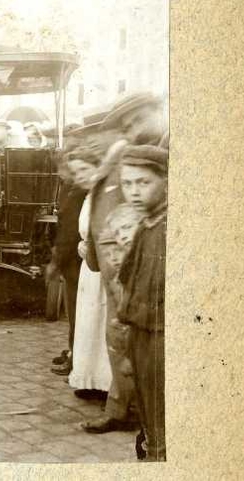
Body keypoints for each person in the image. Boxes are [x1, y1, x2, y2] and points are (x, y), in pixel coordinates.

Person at [80, 92, 166, 434]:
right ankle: (124, 409)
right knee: (120, 340)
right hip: (118, 268)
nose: (132, 130)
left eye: (137, 120)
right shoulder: (120, 156)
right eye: (126, 126)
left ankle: (140, 417)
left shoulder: (161, 153)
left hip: (142, 270)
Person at [116, 145, 168, 461]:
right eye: (127, 183)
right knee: (150, 416)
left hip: (161, 338)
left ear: (167, 181)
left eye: (143, 183)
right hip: (141, 335)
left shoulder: (168, 228)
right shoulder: (147, 224)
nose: (133, 192)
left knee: (163, 419)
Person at [65, 146, 112, 398]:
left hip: (103, 266)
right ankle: (89, 380)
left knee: (101, 318)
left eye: (84, 169)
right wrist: (81, 245)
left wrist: (91, 247)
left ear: (99, 168)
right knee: (88, 320)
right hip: (89, 267)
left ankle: (106, 384)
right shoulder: (89, 196)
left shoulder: (107, 196)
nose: (79, 176)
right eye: (76, 172)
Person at [48, 146, 90, 376]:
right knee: (75, 313)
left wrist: (56, 262)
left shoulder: (76, 192)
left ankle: (76, 358)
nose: (60, 173)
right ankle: (74, 352)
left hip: (75, 262)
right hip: (72, 261)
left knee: (77, 313)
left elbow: (68, 231)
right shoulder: (71, 188)